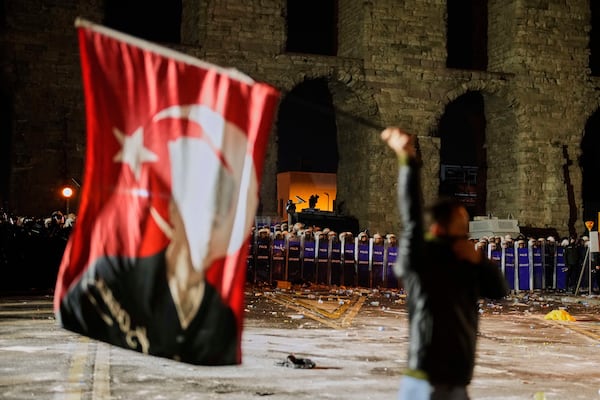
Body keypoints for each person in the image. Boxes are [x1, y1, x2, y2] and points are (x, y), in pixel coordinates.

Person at [381, 127, 508, 400]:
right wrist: (407, 161)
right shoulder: (422, 258)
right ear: (440, 229)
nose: (467, 233)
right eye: (461, 226)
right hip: (427, 380)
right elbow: (412, 215)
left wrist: (479, 260)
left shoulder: (466, 262)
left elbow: (498, 290)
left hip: (458, 380)